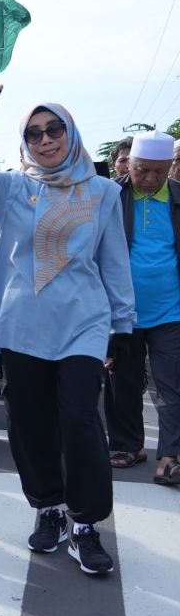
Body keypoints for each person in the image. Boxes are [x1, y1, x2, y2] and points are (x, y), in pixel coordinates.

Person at [0, 79, 134, 577]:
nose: (45, 140)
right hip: (23, 324)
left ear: (70, 132)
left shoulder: (104, 192)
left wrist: (121, 326)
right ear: (24, 143)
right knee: (29, 421)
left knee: (80, 419)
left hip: (83, 325)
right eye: (33, 134)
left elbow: (114, 262)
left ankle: (85, 523)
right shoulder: (12, 188)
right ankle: (48, 506)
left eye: (53, 130)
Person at [105, 131, 180, 486]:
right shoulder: (110, 197)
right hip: (122, 311)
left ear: (170, 168)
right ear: (128, 164)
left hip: (172, 312)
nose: (150, 179)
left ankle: (170, 456)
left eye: (159, 172)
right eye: (142, 170)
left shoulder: (179, 198)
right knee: (124, 382)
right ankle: (128, 444)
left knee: (172, 386)